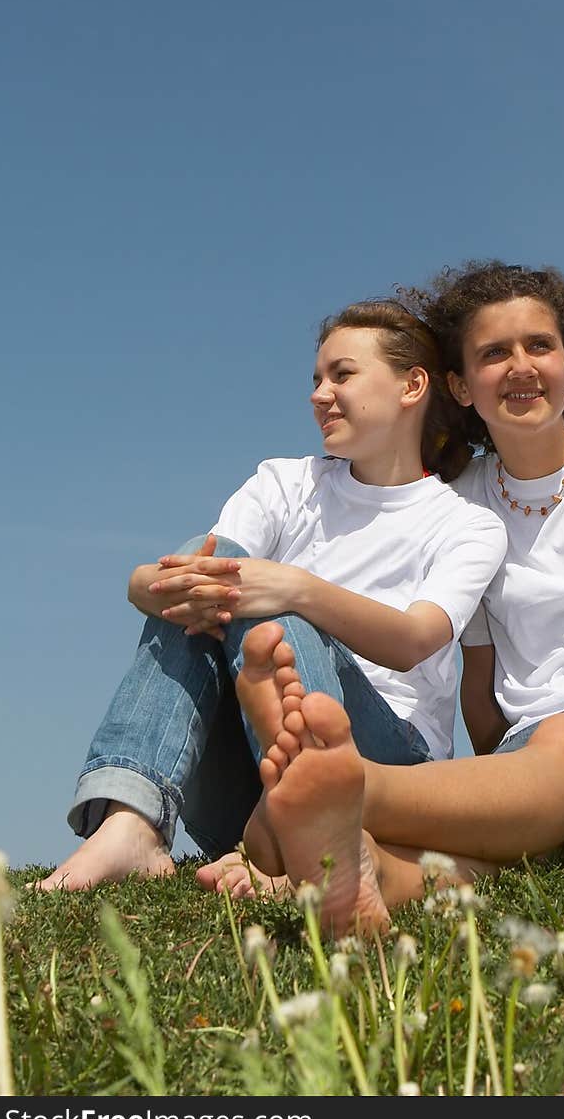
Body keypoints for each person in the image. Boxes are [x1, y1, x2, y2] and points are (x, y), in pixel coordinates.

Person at [231, 259, 564, 938]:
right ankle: (360, 864)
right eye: (495, 354)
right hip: (538, 755)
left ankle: (346, 791)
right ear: (460, 386)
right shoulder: (464, 506)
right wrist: (503, 784)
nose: (521, 366)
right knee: (471, 856)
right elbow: (481, 688)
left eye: (539, 346)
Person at [37, 299, 507, 892]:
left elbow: (416, 639)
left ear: (412, 386)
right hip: (250, 781)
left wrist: (296, 587)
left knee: (277, 611)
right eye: (315, 379)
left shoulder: (469, 524)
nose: (319, 394)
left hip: (382, 772)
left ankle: (310, 835)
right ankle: (131, 819)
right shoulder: (286, 483)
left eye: (342, 374)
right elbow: (197, 568)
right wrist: (144, 584)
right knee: (211, 558)